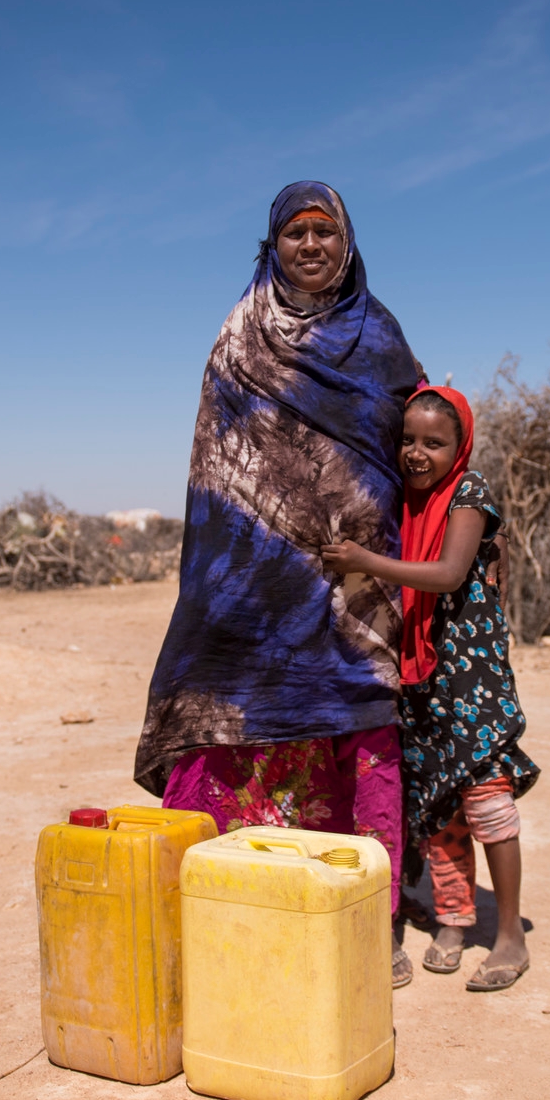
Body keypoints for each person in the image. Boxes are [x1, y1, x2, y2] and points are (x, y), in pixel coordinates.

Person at [133, 181, 423, 986]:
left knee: (360, 728)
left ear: (348, 242)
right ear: (273, 245)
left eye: (324, 232)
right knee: (238, 719)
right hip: (255, 585)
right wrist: (216, 581)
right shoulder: (239, 336)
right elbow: (216, 462)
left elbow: (422, 443)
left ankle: (372, 918)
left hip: (355, 587)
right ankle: (234, 896)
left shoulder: (381, 337)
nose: (310, 245)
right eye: (294, 233)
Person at [322, 386, 538, 992]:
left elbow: (446, 575)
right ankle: (452, 918)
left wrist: (364, 560)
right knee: (437, 806)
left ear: (459, 445)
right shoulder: (400, 502)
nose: (418, 453)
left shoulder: (468, 492)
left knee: (487, 800)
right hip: (418, 673)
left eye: (434, 443)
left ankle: (510, 938)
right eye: (409, 440)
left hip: (469, 673)